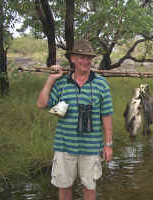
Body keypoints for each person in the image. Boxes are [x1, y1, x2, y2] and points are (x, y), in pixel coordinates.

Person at [37, 39, 113, 200]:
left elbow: (106, 115)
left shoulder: (101, 84)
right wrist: (51, 79)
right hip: (64, 146)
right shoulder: (62, 83)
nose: (85, 61)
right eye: (81, 57)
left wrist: (108, 145)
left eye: (88, 58)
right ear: (72, 58)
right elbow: (41, 104)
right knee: (64, 187)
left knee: (89, 187)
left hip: (91, 147)